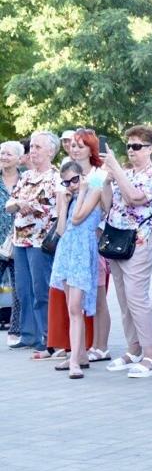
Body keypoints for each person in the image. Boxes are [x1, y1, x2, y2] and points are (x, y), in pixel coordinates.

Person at [102, 125, 152, 378]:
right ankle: (133, 349)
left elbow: (134, 198)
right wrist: (108, 182)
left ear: (150, 149)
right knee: (122, 297)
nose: (131, 150)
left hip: (141, 239)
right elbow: (107, 204)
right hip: (117, 238)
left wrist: (116, 171)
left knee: (136, 296)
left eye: (137, 146)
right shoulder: (124, 172)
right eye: (128, 146)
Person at [49, 148, 105, 378]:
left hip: (83, 251)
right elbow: (62, 228)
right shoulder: (68, 196)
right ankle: (79, 354)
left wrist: (80, 192)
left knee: (75, 307)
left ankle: (74, 360)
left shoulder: (93, 191)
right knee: (70, 306)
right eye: (66, 182)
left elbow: (79, 217)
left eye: (74, 179)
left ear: (82, 177)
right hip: (66, 252)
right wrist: (62, 202)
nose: (71, 184)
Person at [5, 131, 60, 352]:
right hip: (20, 239)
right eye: (32, 147)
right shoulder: (26, 176)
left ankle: (47, 335)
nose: (32, 151)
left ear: (51, 151)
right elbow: (9, 204)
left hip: (41, 240)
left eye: (37, 147)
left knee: (41, 289)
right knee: (23, 289)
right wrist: (19, 202)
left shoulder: (55, 177)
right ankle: (28, 335)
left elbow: (58, 210)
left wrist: (33, 206)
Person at [0, 141, 23, 341]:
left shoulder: (26, 180)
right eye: (1, 153)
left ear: (18, 158)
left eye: (8, 153)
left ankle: (15, 330)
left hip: (19, 241)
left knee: (19, 289)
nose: (4, 156)